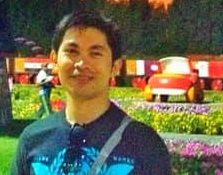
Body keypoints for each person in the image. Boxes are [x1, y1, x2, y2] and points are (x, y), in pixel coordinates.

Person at [11, 11, 171, 174]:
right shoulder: (32, 139)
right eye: (72, 51)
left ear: (115, 66)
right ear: (54, 59)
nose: (81, 63)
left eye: (95, 53)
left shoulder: (144, 144)